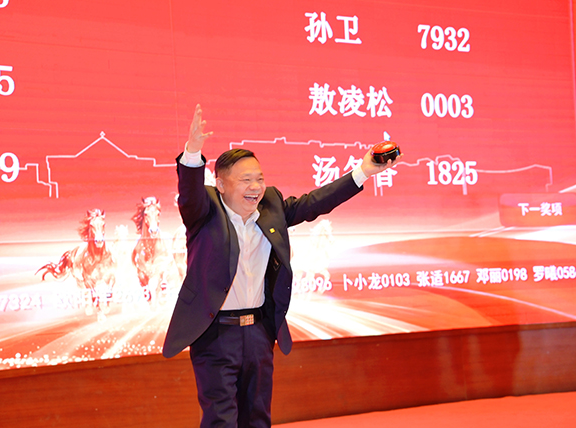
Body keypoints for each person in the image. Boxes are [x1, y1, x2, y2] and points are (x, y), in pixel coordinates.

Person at [163, 104, 400, 427]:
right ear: (221, 185)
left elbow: (315, 202)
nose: (255, 187)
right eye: (245, 180)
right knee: (221, 419)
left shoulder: (271, 205)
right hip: (215, 334)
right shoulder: (205, 211)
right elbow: (189, 193)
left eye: (259, 179)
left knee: (258, 418)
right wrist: (192, 152)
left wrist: (363, 171)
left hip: (259, 333)